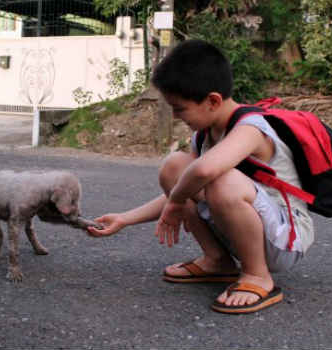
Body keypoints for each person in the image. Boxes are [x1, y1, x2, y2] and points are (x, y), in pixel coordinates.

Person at [87, 39, 314, 314]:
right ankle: (218, 261)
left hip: (285, 240)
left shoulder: (251, 128)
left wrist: (176, 201)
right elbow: (183, 186)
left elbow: (205, 173)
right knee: (175, 168)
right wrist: (125, 219)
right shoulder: (204, 136)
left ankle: (257, 275)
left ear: (213, 100)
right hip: (249, 229)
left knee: (219, 179)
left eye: (180, 108)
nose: (175, 116)